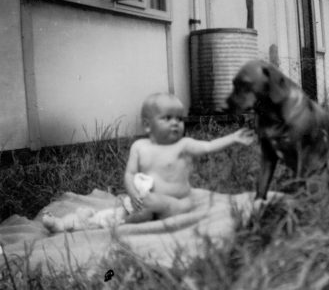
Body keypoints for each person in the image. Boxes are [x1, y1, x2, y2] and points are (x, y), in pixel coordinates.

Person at [42, 93, 254, 232]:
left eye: (179, 119)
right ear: (147, 125)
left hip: (176, 204)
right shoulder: (140, 147)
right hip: (143, 204)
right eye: (167, 118)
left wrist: (233, 138)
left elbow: (208, 146)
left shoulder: (183, 144)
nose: (175, 123)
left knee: (182, 204)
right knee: (106, 217)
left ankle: (128, 222)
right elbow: (129, 174)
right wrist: (133, 193)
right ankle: (66, 224)